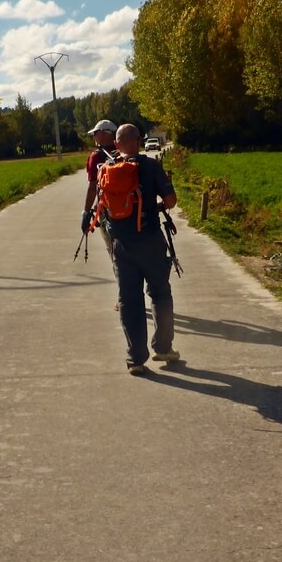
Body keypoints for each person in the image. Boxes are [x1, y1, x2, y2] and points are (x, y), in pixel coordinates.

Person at [100, 123, 179, 375]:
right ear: (139, 141)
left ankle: (135, 358)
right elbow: (170, 200)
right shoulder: (151, 166)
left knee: (129, 301)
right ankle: (163, 347)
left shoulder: (108, 169)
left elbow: (104, 209)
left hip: (121, 246)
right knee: (160, 293)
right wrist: (154, 208)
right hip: (150, 241)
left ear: (117, 144)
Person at [82, 119, 119, 273]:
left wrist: (86, 212)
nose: (94, 137)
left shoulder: (96, 157)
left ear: (104, 134)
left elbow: (92, 187)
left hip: (107, 212)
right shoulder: (124, 151)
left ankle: (123, 287)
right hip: (131, 210)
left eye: (96, 134)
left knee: (114, 253)